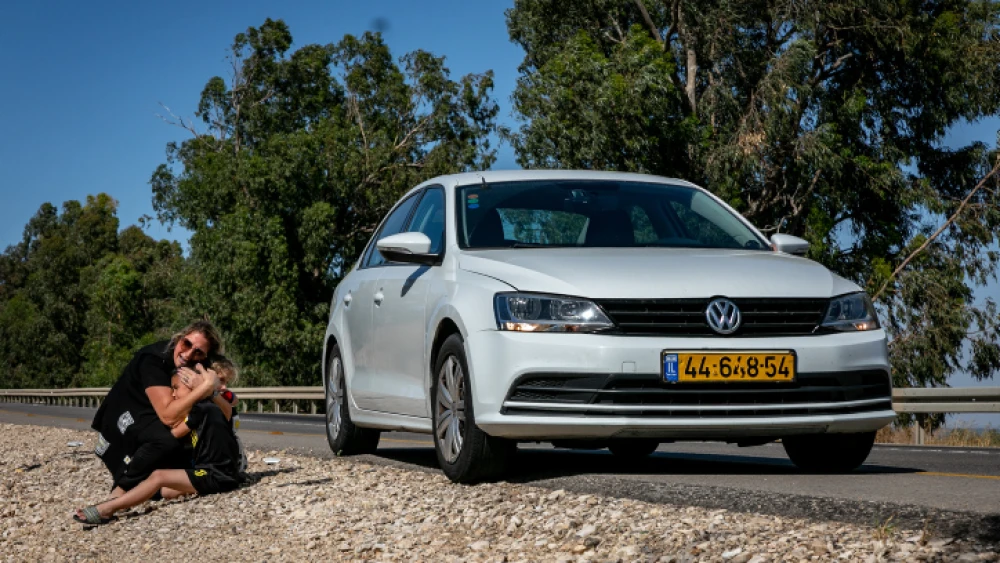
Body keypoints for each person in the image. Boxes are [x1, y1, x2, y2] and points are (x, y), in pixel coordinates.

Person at [74, 370, 242, 525]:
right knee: (167, 492)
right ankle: (133, 497)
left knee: (159, 476)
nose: (173, 393)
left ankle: (107, 509)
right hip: (217, 472)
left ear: (193, 388)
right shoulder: (204, 408)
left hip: (218, 474)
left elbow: (174, 432)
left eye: (176, 388)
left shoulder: (204, 409)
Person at [91, 320, 224, 492]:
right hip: (128, 410)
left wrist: (214, 392)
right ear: (179, 338)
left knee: (196, 426)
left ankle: (160, 485)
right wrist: (205, 388)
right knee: (165, 439)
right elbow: (168, 416)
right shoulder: (153, 360)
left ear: (205, 357)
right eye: (187, 343)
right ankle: (123, 487)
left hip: (156, 410)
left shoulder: (199, 366)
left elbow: (227, 406)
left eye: (198, 352)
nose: (188, 354)